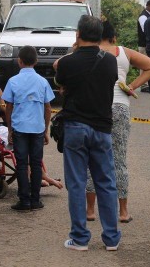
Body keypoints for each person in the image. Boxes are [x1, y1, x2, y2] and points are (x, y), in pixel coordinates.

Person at [55, 15, 121, 252]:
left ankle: (80, 238)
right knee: (106, 183)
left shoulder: (67, 63)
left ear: (78, 34)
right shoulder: (110, 61)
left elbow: (60, 78)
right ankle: (111, 238)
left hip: (75, 127)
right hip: (102, 128)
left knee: (76, 184)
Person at [86, 20, 150, 223]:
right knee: (118, 159)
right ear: (113, 37)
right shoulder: (124, 52)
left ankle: (90, 210)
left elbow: (60, 65)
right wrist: (131, 86)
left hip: (95, 108)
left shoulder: (88, 52)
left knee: (92, 158)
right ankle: (123, 211)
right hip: (120, 107)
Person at [2, 45, 54, 211]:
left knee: (22, 164)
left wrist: (10, 129)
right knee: (36, 164)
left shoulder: (12, 81)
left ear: (19, 61)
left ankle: (24, 201)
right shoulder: (43, 82)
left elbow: (8, 107)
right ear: (36, 61)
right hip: (38, 129)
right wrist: (46, 129)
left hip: (19, 128)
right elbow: (47, 107)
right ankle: (35, 200)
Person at [137, 0, 150, 92]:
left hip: (149, 44)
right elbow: (145, 30)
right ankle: (144, 84)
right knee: (144, 65)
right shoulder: (143, 16)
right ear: (149, 6)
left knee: (148, 64)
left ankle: (146, 84)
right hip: (144, 44)